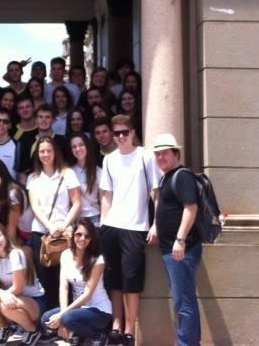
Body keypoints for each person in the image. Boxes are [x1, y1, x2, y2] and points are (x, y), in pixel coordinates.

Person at [98, 115, 161, 346]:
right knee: (114, 281)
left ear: (133, 132)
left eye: (125, 132)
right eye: (117, 133)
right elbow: (106, 194)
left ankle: (129, 330)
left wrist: (156, 224)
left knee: (131, 282)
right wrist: (104, 223)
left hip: (136, 227)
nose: (121, 137)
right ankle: (116, 326)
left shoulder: (145, 156)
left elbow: (157, 193)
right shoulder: (109, 160)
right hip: (112, 227)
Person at [153, 133, 202, 346]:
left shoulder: (181, 176)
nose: (160, 157)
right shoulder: (167, 177)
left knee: (183, 302)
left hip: (182, 249)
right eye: (157, 154)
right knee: (182, 300)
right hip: (171, 249)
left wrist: (180, 240)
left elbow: (191, 207)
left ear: (176, 154)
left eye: (165, 153)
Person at [27, 136, 81, 310]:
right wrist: (50, 227)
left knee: (66, 278)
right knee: (45, 279)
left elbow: (77, 203)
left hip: (65, 234)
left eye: (48, 151)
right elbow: (35, 207)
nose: (45, 154)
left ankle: (67, 320)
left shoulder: (68, 174)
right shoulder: (33, 178)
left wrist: (63, 225)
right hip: (41, 234)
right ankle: (49, 320)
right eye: (41, 151)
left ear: (55, 152)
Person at [41, 218, 113, 346]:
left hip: (99, 311)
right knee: (46, 318)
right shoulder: (65, 255)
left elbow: (88, 295)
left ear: (91, 239)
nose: (82, 239)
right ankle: (79, 334)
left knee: (68, 318)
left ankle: (98, 336)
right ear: (73, 235)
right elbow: (63, 288)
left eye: (87, 236)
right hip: (77, 309)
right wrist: (62, 316)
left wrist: (63, 316)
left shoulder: (98, 259)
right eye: (79, 234)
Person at [0, 222, 47, 345]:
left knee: (5, 305)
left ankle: (32, 331)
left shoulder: (16, 254)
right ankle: (4, 328)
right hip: (12, 299)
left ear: (5, 235)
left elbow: (18, 287)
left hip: (34, 301)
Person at [0, 158, 31, 244]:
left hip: (29, 237)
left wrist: (10, 253)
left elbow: (12, 227)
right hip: (19, 234)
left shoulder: (12, 193)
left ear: (2, 174)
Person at [69, 133, 102, 227]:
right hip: (75, 220)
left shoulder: (99, 172)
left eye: (81, 145)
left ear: (87, 146)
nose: (78, 149)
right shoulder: (69, 172)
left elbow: (103, 199)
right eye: (74, 147)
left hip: (95, 218)